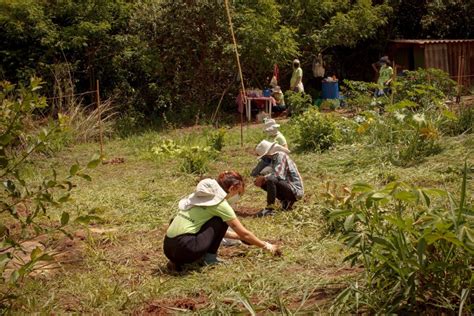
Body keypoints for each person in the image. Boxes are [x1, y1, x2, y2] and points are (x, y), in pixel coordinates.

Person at [163, 171, 279, 270]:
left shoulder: (198, 198)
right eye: (238, 193)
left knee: (209, 221)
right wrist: (267, 246)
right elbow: (244, 233)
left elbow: (211, 232)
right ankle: (210, 258)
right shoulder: (220, 205)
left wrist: (239, 238)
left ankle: (178, 261)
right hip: (187, 248)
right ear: (233, 188)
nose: (238, 197)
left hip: (168, 248)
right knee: (220, 220)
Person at [251, 140, 304, 217]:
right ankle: (285, 201)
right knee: (264, 182)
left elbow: (277, 175)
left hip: (295, 190)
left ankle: (270, 209)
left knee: (271, 180)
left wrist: (262, 177)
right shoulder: (273, 159)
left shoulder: (281, 156)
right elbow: (254, 173)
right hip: (288, 187)